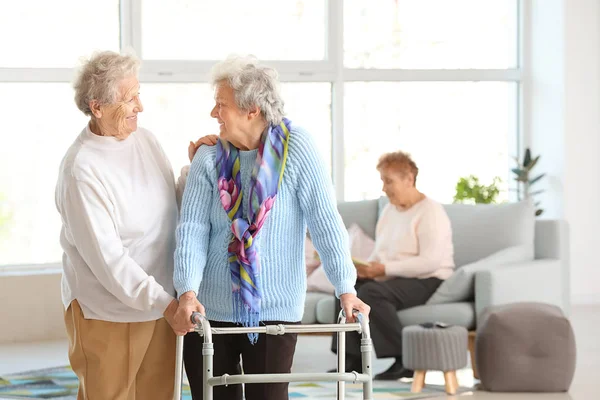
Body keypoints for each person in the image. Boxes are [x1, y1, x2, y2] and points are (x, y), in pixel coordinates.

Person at [171, 55, 370, 400]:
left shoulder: (298, 149)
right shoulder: (207, 158)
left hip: (276, 308)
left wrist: (346, 288)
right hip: (208, 311)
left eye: (222, 105)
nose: (213, 113)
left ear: (252, 110)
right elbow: (192, 229)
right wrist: (187, 292)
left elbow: (324, 221)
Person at [55, 50, 209, 399]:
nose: (140, 106)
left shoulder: (144, 140)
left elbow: (171, 204)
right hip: (108, 313)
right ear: (97, 107)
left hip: (160, 305)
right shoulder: (81, 170)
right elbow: (110, 262)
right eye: (129, 99)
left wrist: (195, 170)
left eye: (138, 94)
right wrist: (168, 306)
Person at [331, 150, 455, 380]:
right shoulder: (389, 210)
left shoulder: (431, 211)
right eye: (382, 181)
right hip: (394, 277)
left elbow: (431, 261)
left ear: (409, 178)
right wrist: (368, 268)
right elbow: (382, 251)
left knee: (371, 292)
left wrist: (384, 270)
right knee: (346, 288)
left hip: (429, 278)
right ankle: (351, 360)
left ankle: (404, 360)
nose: (384, 188)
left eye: (389, 181)